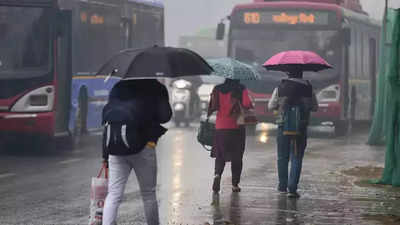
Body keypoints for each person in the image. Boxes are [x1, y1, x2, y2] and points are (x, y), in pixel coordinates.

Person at [102, 79, 172, 225]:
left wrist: (105, 155)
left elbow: (108, 118)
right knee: (148, 194)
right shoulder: (156, 87)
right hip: (144, 146)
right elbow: (165, 117)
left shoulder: (118, 86)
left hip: (116, 146)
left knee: (114, 194)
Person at [268, 67, 318, 198]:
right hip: (300, 128)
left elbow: (271, 106)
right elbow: (315, 107)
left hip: (283, 127)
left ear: (288, 74)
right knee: (296, 157)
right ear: (301, 74)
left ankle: (282, 187)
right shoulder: (309, 88)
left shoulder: (280, 87)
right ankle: (292, 189)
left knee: (282, 157)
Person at [207, 78, 253, 193]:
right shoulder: (241, 88)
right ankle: (235, 184)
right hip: (237, 127)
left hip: (221, 127)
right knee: (237, 156)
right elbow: (247, 104)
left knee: (220, 155)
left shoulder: (217, 88)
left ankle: (217, 175)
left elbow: (213, 106)